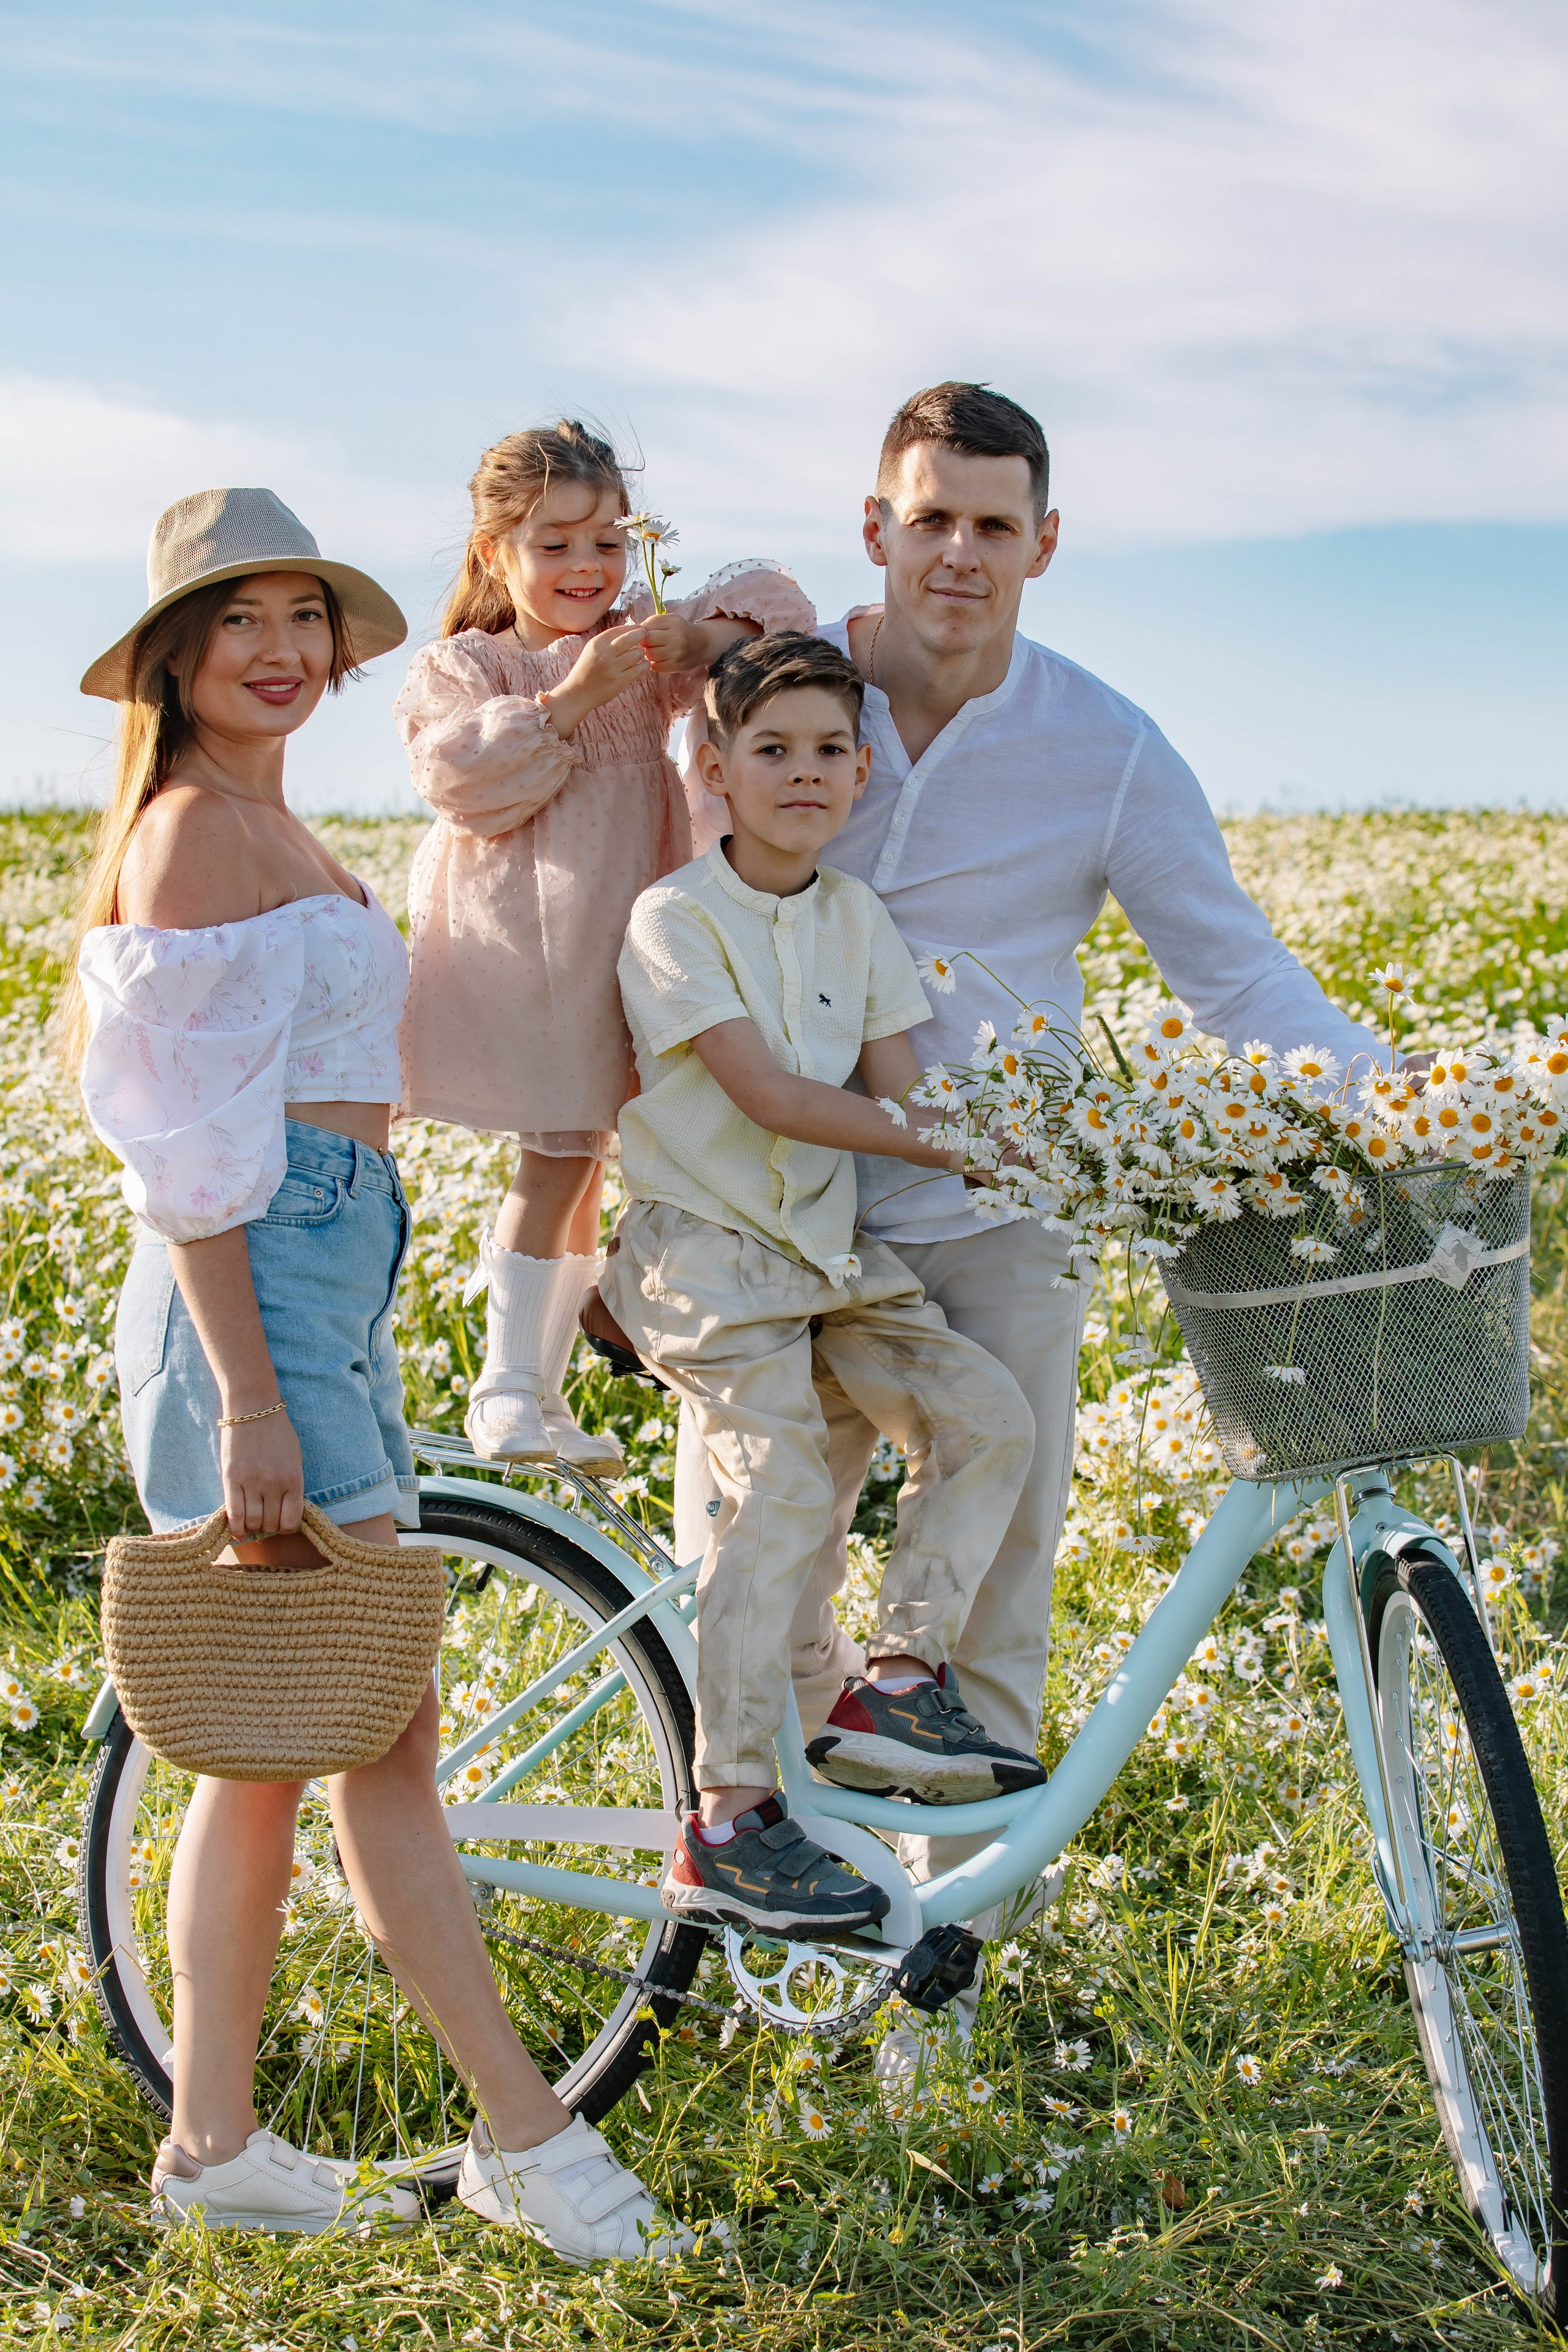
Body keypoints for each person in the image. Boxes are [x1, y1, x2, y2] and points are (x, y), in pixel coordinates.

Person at [674, 382, 1391, 2043]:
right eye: (931, 519)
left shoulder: (1107, 745)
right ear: (877, 530)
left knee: (988, 1593)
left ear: (1045, 545)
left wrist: (1389, 1094)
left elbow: (1232, 967)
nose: (961, 555)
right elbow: (652, 917)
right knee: (748, 1571)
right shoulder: (773, 694)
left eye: (996, 526)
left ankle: (938, 2006)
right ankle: (767, 1948)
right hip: (764, 1197)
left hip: (994, 1205)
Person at [62, 487, 687, 2260]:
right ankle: (530, 2137)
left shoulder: (270, 821)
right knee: (378, 1732)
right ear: (177, 654)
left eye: (303, 617)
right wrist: (252, 1399)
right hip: (248, 1292)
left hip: (317, 1277)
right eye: (239, 619)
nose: (280, 649)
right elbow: (181, 1152)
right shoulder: (191, 832)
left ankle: (217, 2149)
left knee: (269, 1751)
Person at [599, 631, 1041, 1936]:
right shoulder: (671, 919)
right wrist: (953, 1140)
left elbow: (906, 1084)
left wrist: (1044, 1146)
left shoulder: (856, 918)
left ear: (860, 776)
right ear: (715, 769)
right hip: (704, 1256)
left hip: (826, 1254)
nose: (804, 773)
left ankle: (897, 1679)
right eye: (772, 750)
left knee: (988, 1418)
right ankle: (727, 1813)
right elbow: (772, 1096)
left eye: (829, 752)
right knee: (781, 1488)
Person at [395, 422, 813, 1468]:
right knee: (557, 1156)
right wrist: (571, 698)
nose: (587, 568)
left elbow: (785, 619)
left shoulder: (642, 650)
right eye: (555, 544)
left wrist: (698, 642)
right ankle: (507, 1382)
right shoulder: (473, 663)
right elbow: (461, 782)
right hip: (533, 949)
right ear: (496, 554)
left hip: (634, 944)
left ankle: (543, 1389)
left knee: (590, 1163)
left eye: (609, 543)